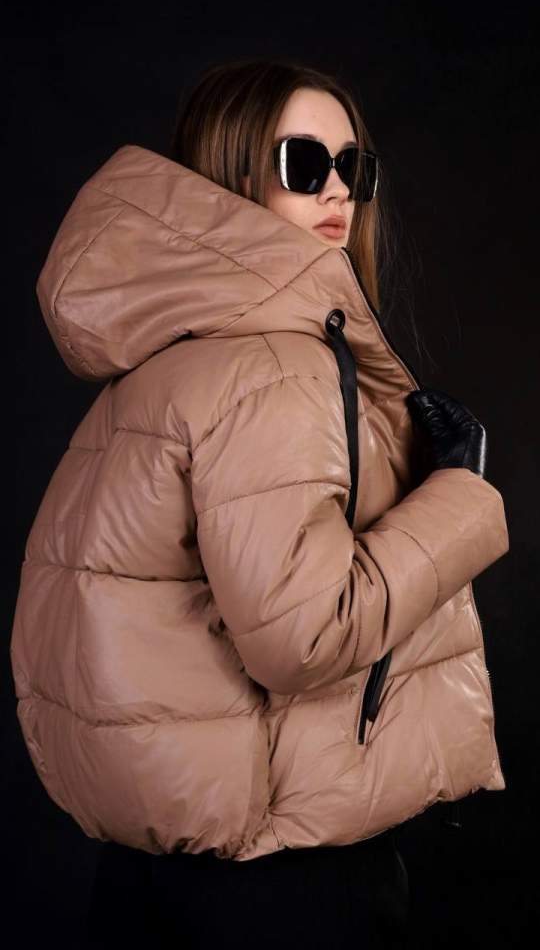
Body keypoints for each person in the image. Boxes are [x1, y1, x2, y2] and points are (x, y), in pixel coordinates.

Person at [11, 58, 509, 950]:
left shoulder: (165, 364)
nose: (339, 191)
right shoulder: (275, 368)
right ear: (232, 176)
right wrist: (459, 498)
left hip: (157, 875)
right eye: (303, 164)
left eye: (354, 167)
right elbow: (303, 638)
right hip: (282, 886)